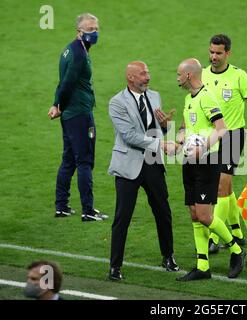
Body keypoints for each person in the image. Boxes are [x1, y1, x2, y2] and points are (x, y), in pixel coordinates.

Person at [175, 58, 245, 281]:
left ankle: (236, 249)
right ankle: (202, 266)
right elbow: (187, 129)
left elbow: (221, 129)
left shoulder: (207, 97)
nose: (177, 77)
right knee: (195, 214)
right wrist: (176, 142)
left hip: (206, 162)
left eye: (179, 74)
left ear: (188, 75)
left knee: (205, 215)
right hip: (189, 162)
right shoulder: (188, 99)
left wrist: (203, 147)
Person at [108, 61, 179, 281]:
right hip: (128, 166)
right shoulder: (117, 103)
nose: (147, 77)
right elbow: (129, 135)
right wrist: (161, 145)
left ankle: (168, 256)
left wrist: (166, 125)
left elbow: (157, 130)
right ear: (130, 77)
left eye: (148, 72)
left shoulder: (155, 96)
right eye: (142, 74)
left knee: (163, 212)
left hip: (153, 163)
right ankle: (115, 266)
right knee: (123, 217)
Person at [202, 34, 247, 253]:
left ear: (228, 53)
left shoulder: (239, 76)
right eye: (211, 52)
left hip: (232, 137)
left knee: (220, 187)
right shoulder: (203, 75)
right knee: (224, 189)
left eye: (218, 53)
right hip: (210, 138)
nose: (213, 57)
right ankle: (236, 231)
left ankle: (214, 239)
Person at [48, 13, 107, 222]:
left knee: (68, 160)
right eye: (90, 29)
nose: (94, 32)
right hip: (79, 114)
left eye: (96, 28)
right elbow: (66, 84)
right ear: (79, 32)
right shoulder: (79, 55)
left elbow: (62, 82)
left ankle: (61, 206)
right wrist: (60, 105)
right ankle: (88, 211)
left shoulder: (69, 49)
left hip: (71, 114)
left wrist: (56, 105)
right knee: (84, 161)